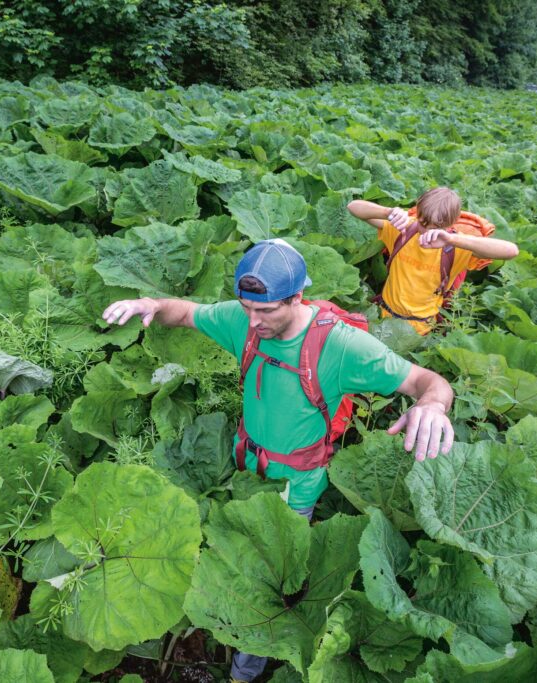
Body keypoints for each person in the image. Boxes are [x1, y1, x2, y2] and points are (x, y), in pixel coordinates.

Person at [103, 238, 455, 683]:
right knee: (234, 557)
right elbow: (188, 313)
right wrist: (151, 304)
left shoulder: (342, 347)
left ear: (296, 297)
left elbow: (429, 381)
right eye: (246, 306)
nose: (253, 320)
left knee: (269, 580)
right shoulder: (245, 322)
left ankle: (244, 671)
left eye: (266, 309)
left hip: (297, 490)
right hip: (248, 470)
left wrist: (433, 406)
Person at [348, 187, 519, 335]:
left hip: (422, 329)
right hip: (383, 316)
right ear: (418, 212)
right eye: (424, 223)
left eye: (436, 227)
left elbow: (511, 251)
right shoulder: (404, 230)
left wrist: (451, 240)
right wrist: (387, 212)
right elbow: (353, 207)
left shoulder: (457, 247)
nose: (427, 232)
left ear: (452, 222)